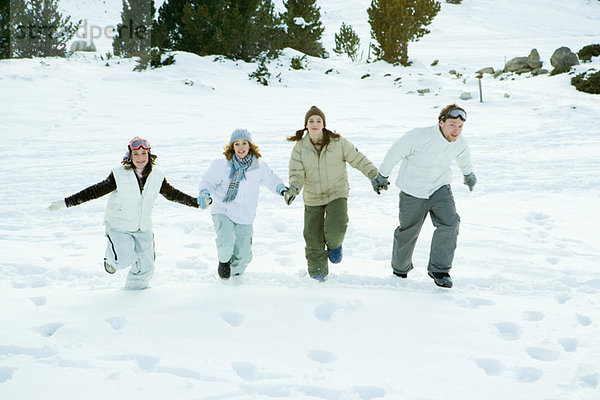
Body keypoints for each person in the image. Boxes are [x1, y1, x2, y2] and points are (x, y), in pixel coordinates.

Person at [49, 137, 199, 290]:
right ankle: (111, 260)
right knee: (123, 259)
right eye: (136, 154)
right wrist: (65, 203)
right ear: (130, 156)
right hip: (119, 225)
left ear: (149, 154)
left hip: (143, 227)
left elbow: (173, 194)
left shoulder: (157, 175)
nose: (140, 158)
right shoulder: (118, 175)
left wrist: (196, 202)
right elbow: (93, 192)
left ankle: (134, 294)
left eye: (144, 153)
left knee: (146, 267)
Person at [371, 104, 477, 288]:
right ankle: (400, 269)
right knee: (408, 230)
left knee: (450, 223)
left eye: (460, 127)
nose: (456, 130)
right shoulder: (418, 136)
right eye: (452, 125)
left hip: (439, 188)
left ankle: (440, 270)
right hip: (413, 190)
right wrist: (382, 175)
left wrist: (468, 175)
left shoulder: (460, 143)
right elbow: (395, 152)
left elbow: (464, 158)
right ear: (441, 122)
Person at [285, 106, 380, 281]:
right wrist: (294, 188)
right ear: (306, 125)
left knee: (337, 226)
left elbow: (358, 159)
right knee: (312, 236)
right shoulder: (300, 148)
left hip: (336, 192)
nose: (315, 124)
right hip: (313, 196)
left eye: (318, 121)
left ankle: (335, 246)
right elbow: (297, 173)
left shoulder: (338, 143)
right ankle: (318, 274)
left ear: (324, 124)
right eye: (311, 121)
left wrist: (374, 175)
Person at [198, 128, 288, 279]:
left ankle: (234, 282)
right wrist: (204, 193)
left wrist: (282, 190)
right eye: (237, 144)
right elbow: (208, 181)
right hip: (223, 209)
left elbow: (271, 180)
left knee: (243, 257)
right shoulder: (222, 165)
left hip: (245, 215)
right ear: (232, 146)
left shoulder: (258, 166)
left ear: (250, 145)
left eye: (244, 143)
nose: (241, 147)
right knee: (226, 240)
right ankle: (224, 262)